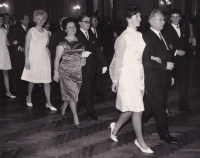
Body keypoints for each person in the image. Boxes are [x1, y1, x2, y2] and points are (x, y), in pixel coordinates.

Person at [109, 5, 153, 154]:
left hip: (138, 74)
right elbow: (117, 60)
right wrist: (115, 80)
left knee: (130, 108)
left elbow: (143, 54)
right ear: (128, 19)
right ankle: (140, 140)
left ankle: (115, 128)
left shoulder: (140, 35)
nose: (140, 19)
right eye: (136, 16)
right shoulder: (124, 38)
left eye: (140, 16)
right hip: (126, 75)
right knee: (138, 108)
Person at [142, 9, 177, 144]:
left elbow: (168, 56)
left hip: (164, 76)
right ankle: (164, 134)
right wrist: (164, 66)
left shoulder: (162, 35)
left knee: (153, 104)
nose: (164, 22)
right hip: (154, 78)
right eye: (160, 20)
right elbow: (145, 61)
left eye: (163, 19)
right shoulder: (147, 37)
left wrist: (170, 74)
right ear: (151, 21)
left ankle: (139, 118)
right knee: (160, 106)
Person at [53, 18, 90, 128]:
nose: (72, 29)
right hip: (65, 72)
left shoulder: (80, 43)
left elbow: (81, 58)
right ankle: (75, 118)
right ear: (65, 29)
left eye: (74, 27)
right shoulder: (62, 44)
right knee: (73, 95)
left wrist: (83, 61)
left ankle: (63, 108)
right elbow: (56, 59)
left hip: (77, 72)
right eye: (69, 27)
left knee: (72, 94)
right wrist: (56, 73)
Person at [21, 10, 57, 111]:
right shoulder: (31, 31)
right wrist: (27, 60)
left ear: (45, 20)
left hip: (44, 59)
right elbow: (27, 47)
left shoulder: (46, 32)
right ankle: (29, 97)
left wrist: (50, 59)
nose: (40, 21)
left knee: (47, 81)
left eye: (42, 19)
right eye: (38, 19)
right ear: (34, 20)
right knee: (33, 80)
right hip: (33, 58)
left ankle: (48, 102)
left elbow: (47, 47)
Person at [76, 13, 107, 120]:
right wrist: (81, 55)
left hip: (93, 66)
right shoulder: (76, 35)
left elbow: (97, 50)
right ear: (80, 23)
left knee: (87, 90)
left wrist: (104, 64)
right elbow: (71, 51)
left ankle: (70, 105)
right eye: (86, 22)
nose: (89, 24)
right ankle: (90, 112)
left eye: (89, 21)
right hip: (82, 67)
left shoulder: (91, 33)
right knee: (87, 90)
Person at [164, 9, 193, 111]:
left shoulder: (184, 28)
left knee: (184, 83)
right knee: (167, 84)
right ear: (170, 18)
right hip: (171, 61)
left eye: (177, 17)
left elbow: (185, 44)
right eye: (173, 17)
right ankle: (164, 106)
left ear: (180, 18)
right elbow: (165, 46)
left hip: (182, 61)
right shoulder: (166, 30)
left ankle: (183, 105)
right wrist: (175, 51)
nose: (175, 19)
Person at [9, 15, 29, 91]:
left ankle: (24, 87)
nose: (28, 21)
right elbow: (11, 41)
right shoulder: (16, 28)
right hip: (18, 54)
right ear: (22, 20)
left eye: (28, 19)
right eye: (26, 19)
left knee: (25, 70)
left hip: (26, 53)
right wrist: (18, 47)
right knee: (19, 70)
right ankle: (17, 87)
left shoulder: (29, 29)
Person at [0, 14, 16, 98]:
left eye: (2, 19)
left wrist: (14, 43)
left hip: (4, 52)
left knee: (5, 73)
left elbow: (7, 43)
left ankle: (8, 92)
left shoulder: (4, 30)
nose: (1, 21)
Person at [90, 15, 105, 98]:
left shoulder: (99, 31)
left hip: (99, 56)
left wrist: (102, 46)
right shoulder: (88, 32)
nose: (97, 22)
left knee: (99, 73)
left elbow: (101, 41)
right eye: (95, 20)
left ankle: (99, 92)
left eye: (97, 20)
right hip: (92, 57)